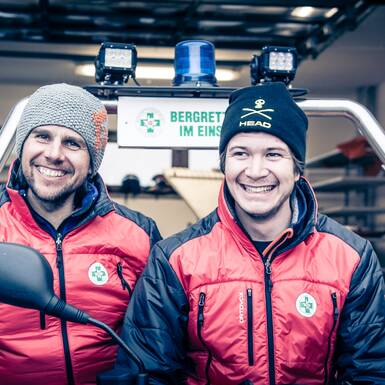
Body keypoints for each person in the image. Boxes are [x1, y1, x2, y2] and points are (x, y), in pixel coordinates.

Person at [102, 82, 385, 385]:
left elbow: (370, 371)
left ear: (297, 168)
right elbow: (146, 372)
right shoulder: (176, 259)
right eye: (241, 153)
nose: (255, 170)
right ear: (224, 163)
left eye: (273, 154)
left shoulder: (351, 257)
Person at [0, 83, 161, 385]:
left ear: (92, 163)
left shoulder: (139, 233)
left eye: (73, 143)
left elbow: (158, 339)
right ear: (22, 146)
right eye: (42, 136)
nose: (53, 154)